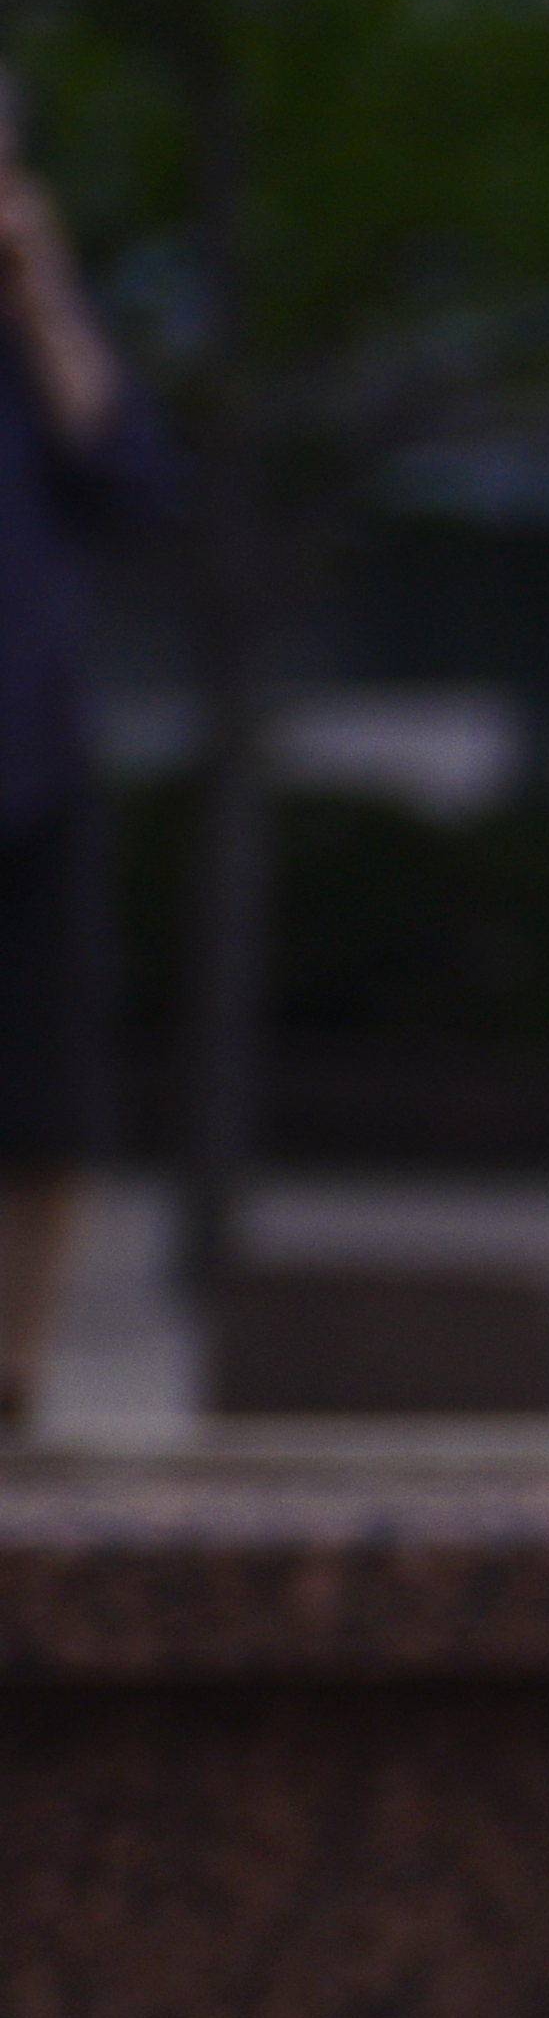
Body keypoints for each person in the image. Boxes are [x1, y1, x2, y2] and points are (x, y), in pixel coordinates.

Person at [0, 72, 181, 1436]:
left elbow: (131, 479)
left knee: (50, 1087)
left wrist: (44, 286)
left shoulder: (39, 331)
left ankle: (14, 1372)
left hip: (34, 754)